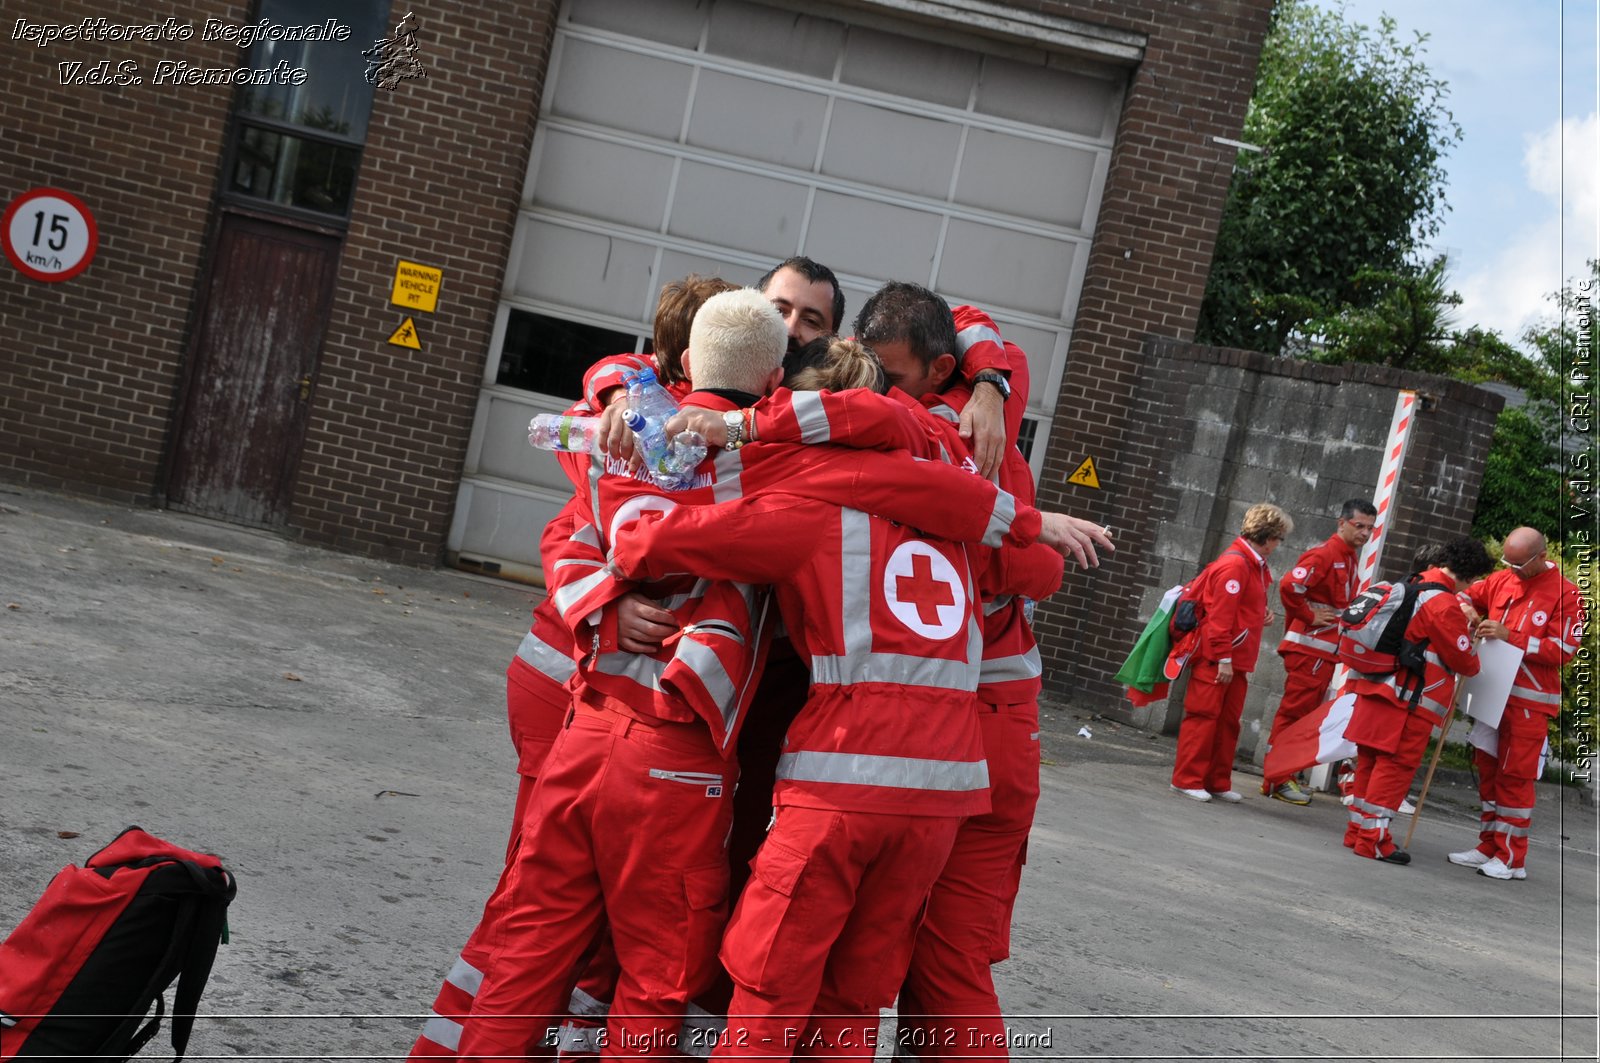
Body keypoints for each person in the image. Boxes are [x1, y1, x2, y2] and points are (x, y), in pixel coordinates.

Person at [1341, 536, 1492, 864]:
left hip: (1376, 687)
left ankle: (1357, 831)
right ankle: (1375, 840)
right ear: (1471, 574)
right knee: (1394, 768)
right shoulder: (1442, 603)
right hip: (1408, 700)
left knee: (1368, 761)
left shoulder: (1413, 583)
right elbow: (1467, 661)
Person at [1449, 527, 1584, 880]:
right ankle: (1489, 845)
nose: (1513, 569)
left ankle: (1511, 858)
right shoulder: (1501, 579)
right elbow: (1462, 596)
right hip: (1492, 691)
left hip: (1528, 701)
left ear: (1541, 556)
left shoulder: (1566, 594)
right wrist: (1468, 613)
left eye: (1520, 563)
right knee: (1489, 771)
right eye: (1508, 562)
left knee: (1515, 776)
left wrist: (1513, 637)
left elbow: (1564, 651)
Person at [1169, 504, 1292, 802]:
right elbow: (1219, 619)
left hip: (1232, 658)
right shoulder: (1236, 566)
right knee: (1204, 717)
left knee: (1225, 721)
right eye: (1279, 538)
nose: (1278, 545)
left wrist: (1259, 615)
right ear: (1268, 536)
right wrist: (1223, 658)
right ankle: (1188, 778)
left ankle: (1215, 780)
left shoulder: (1249, 564)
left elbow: (1234, 611)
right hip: (1220, 658)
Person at [1261, 499, 1375, 805]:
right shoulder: (1326, 554)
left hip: (1321, 653)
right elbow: (1289, 585)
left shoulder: (1348, 556)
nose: (1365, 533)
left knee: (1304, 716)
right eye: (1359, 525)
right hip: (1310, 651)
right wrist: (1310, 617)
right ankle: (1277, 778)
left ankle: (1286, 774)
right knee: (1294, 714)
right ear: (1342, 523)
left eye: (1369, 528)